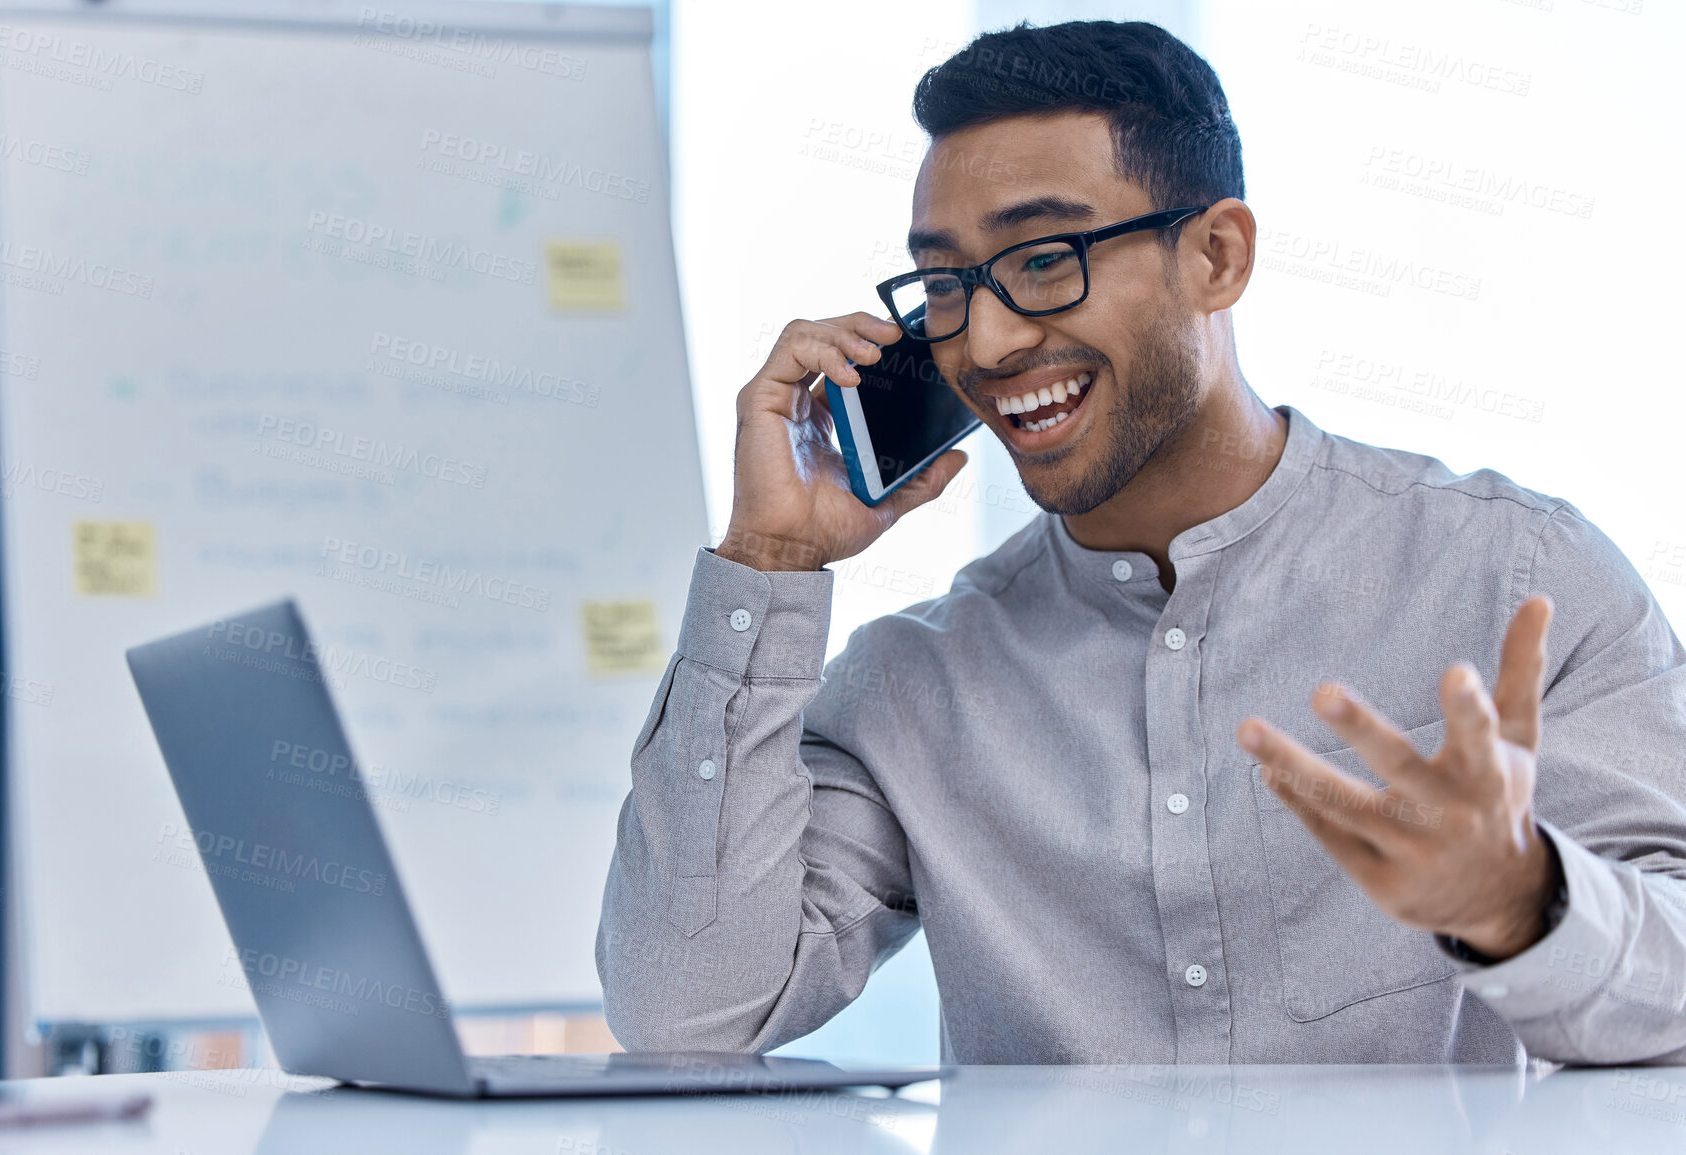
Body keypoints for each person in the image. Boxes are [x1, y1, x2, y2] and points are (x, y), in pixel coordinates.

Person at [596, 19, 1686, 1064]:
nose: (987, 339)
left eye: (1044, 259)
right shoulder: (916, 686)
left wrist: (1523, 904)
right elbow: (686, 1012)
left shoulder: (1519, 584)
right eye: (943, 284)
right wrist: (769, 563)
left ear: (1216, 256)